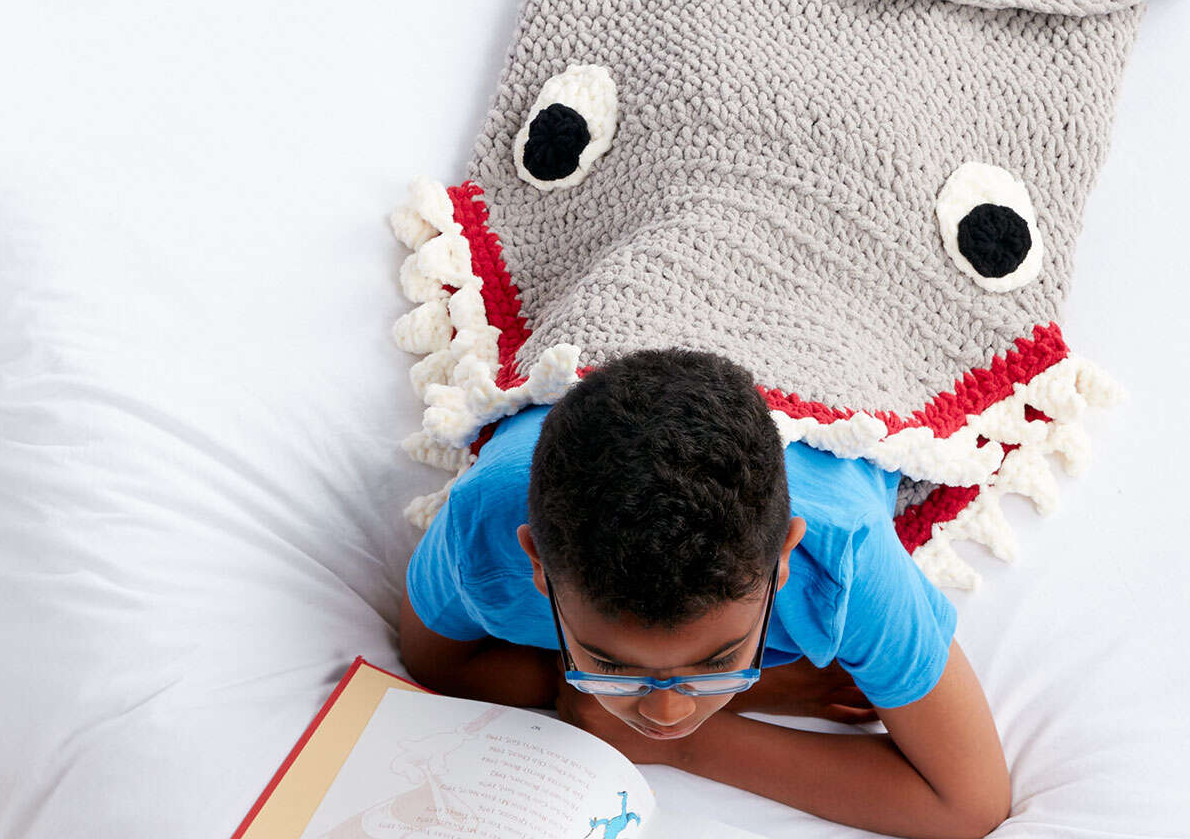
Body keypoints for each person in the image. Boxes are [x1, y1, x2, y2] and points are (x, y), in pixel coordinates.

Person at [397, 349, 1012, 839]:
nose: (665, 716)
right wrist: (763, 689)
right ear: (537, 563)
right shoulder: (481, 529)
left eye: (718, 661)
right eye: (611, 665)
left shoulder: (844, 561)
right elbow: (436, 663)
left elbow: (969, 805)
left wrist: (686, 746)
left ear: (783, 558)